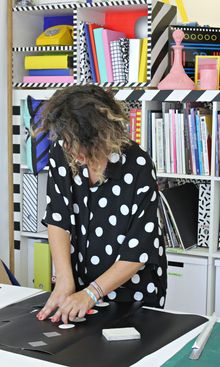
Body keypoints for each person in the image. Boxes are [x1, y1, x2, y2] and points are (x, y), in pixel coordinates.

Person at [36, 85, 167, 324]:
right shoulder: (62, 151)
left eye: (81, 145)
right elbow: (57, 217)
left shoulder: (138, 165)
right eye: (68, 142)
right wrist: (66, 281)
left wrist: (92, 293)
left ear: (102, 135)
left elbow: (138, 250)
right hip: (79, 288)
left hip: (132, 294)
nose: (74, 154)